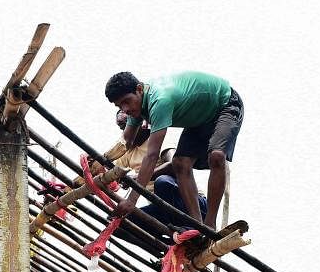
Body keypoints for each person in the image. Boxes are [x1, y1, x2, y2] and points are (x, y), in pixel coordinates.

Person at [104, 71, 243, 231]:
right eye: (120, 105)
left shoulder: (160, 100)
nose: (125, 109)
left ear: (139, 89)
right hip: (199, 119)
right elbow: (125, 142)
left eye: (127, 101)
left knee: (217, 156)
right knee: (180, 163)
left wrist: (132, 199)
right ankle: (196, 225)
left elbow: (152, 155)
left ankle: (209, 225)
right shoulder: (136, 109)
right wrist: (98, 161)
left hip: (224, 104)